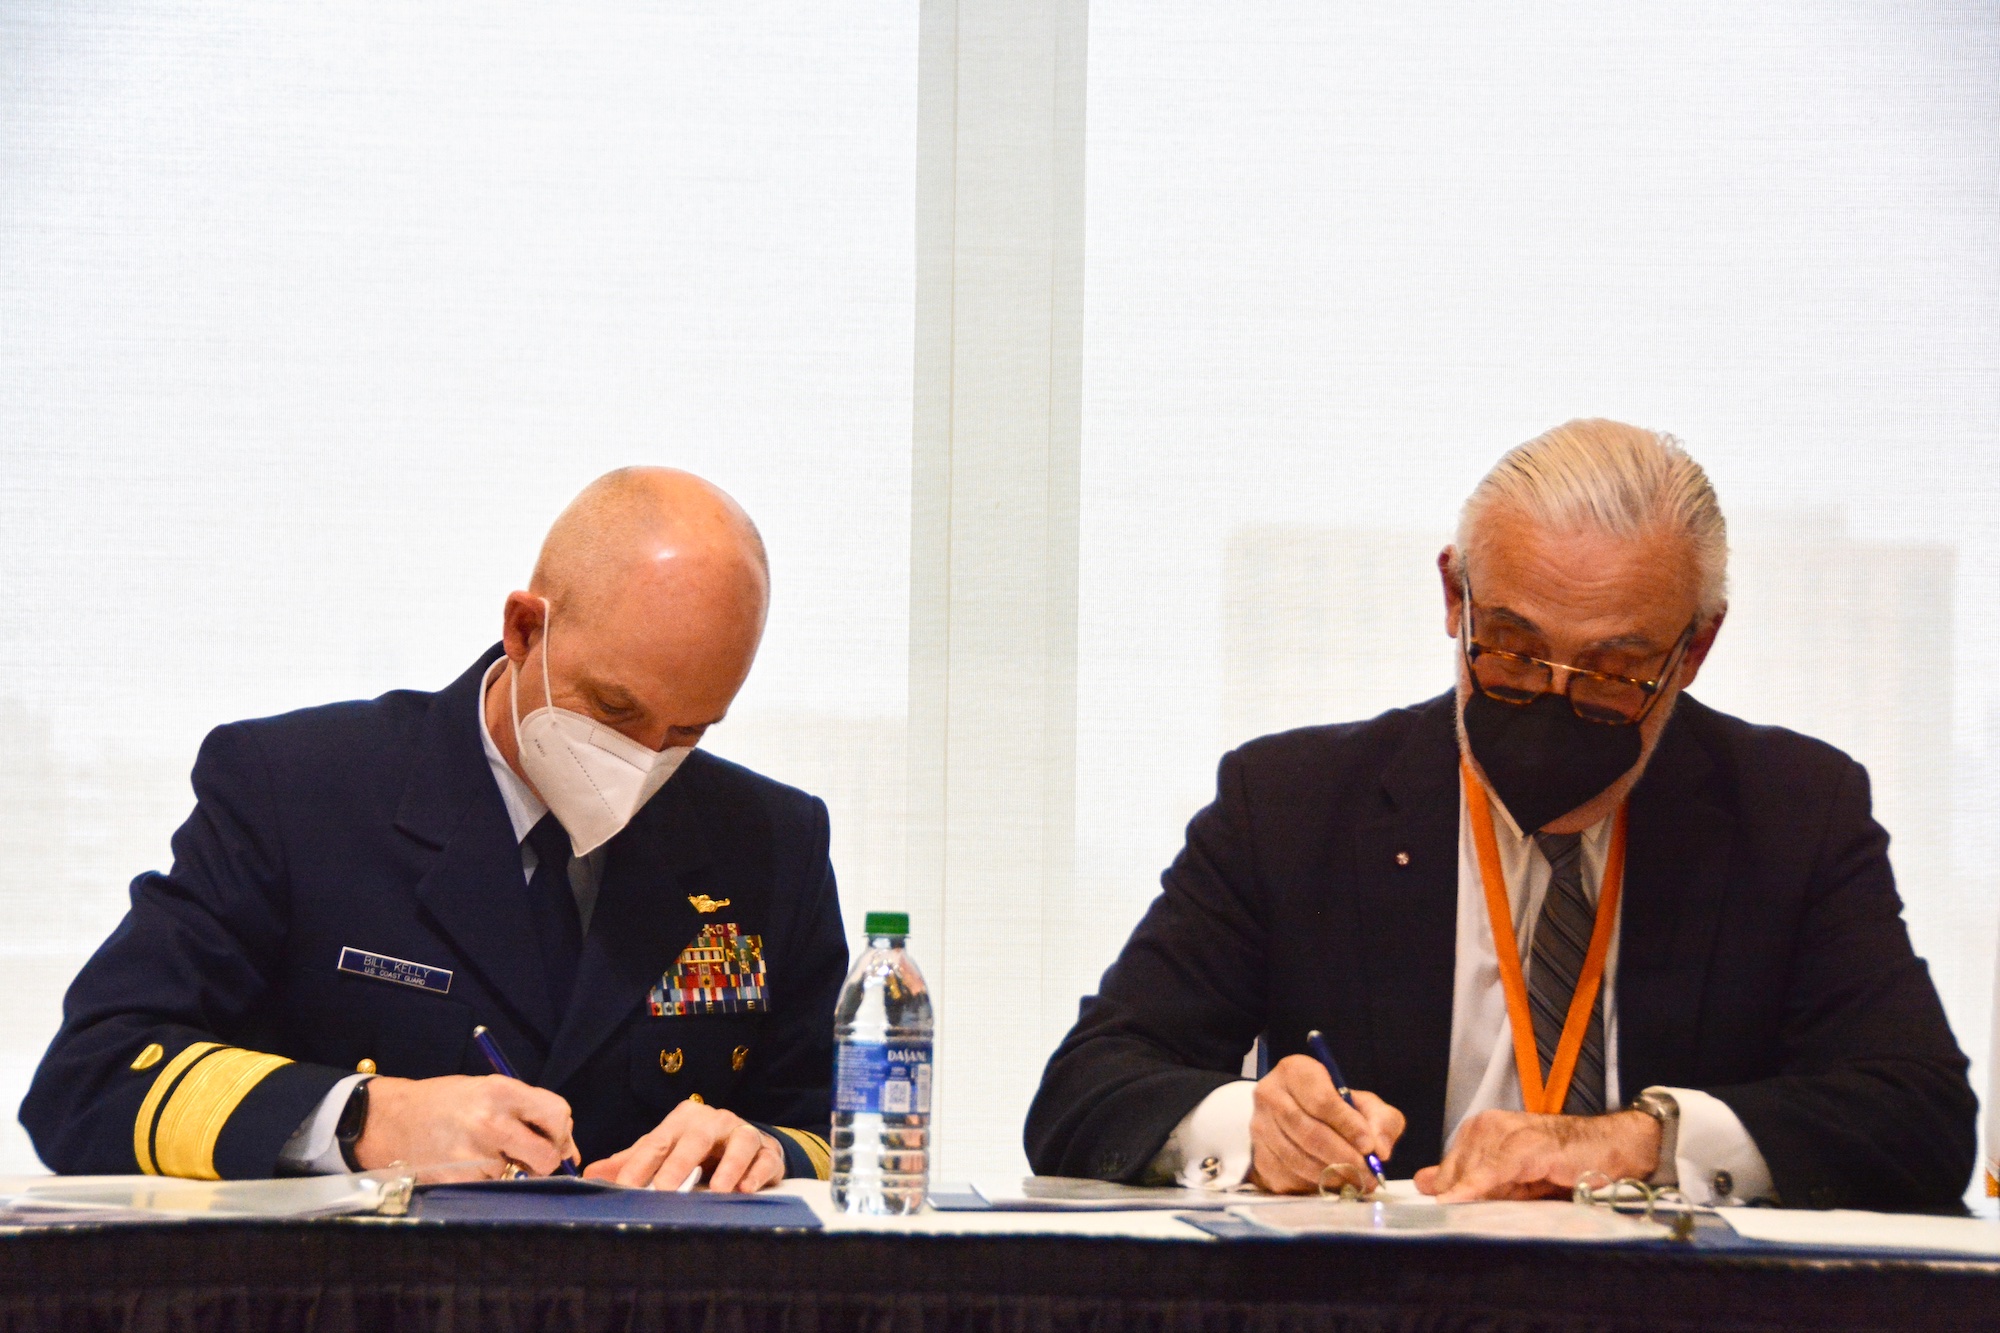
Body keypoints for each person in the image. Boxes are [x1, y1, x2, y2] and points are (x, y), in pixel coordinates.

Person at [1025, 421, 1976, 1211]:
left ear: (1694, 650)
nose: (1552, 705)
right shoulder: (1294, 804)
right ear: (1454, 597)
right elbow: (1084, 1091)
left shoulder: (1792, 812)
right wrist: (1250, 1125)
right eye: (1514, 652)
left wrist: (1644, 1141)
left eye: (1610, 675)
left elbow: (1922, 1120)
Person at [22, 468, 846, 1190]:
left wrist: (763, 1148)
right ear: (526, 629)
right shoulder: (299, 790)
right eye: (614, 708)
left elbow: (839, 1132)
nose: (640, 758)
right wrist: (363, 1119)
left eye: (687, 731)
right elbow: (86, 1079)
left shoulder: (769, 841)